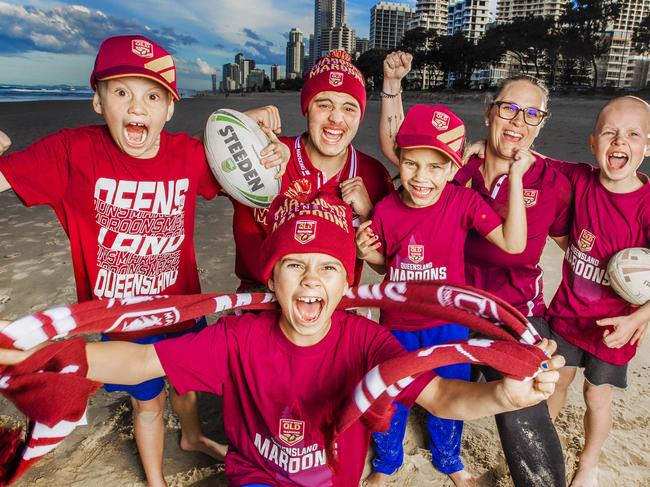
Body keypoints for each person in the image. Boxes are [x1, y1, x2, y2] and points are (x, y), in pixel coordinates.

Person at [0, 188, 565, 486]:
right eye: (295, 266)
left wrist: (501, 397)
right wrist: (55, 353)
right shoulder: (237, 337)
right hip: (256, 476)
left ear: (349, 282)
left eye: (327, 267)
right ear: (270, 278)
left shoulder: (368, 344)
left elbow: (440, 395)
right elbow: (142, 362)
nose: (312, 278)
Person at [0, 35, 288, 486]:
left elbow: (242, 162)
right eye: (121, 92)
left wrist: (260, 137)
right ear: (97, 101)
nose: (138, 107)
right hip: (125, 323)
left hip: (183, 308)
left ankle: (191, 437)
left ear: (169, 109)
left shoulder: (187, 155)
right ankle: (156, 480)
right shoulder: (70, 152)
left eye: (153, 96)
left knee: (187, 385)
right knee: (148, 404)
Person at [378, 51, 572, 486]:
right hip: (450, 312)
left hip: (512, 314)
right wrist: (392, 85)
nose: (518, 121)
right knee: (424, 390)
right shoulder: (455, 170)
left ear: (542, 124)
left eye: (531, 114)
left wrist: (579, 317)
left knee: (523, 417)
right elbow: (402, 146)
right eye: (509, 108)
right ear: (490, 113)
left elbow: (582, 233)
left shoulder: (557, 180)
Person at [357, 104, 530, 486]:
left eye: (435, 167)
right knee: (393, 397)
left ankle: (449, 459)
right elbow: (387, 267)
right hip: (395, 326)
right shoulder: (385, 209)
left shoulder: (463, 202)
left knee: (448, 400)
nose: (421, 177)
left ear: (453, 170)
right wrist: (365, 251)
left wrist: (515, 177)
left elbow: (514, 243)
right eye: (412, 163)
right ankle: (386, 463)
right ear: (398, 160)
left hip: (448, 327)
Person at [544, 96, 650, 487]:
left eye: (633, 134)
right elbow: (533, 157)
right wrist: (485, 147)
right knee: (557, 382)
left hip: (615, 327)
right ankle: (545, 444)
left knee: (596, 396)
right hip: (567, 314)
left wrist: (639, 317)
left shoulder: (647, 205)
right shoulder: (580, 178)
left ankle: (589, 462)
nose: (620, 140)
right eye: (610, 132)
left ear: (647, 146)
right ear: (593, 143)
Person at [230, 49, 394, 291]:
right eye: (324, 104)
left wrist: (368, 214)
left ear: (359, 116)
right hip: (261, 302)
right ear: (306, 108)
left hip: (329, 308)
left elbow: (384, 265)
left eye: (349, 108)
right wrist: (240, 126)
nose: (336, 119)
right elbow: (188, 165)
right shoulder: (265, 151)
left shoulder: (372, 174)